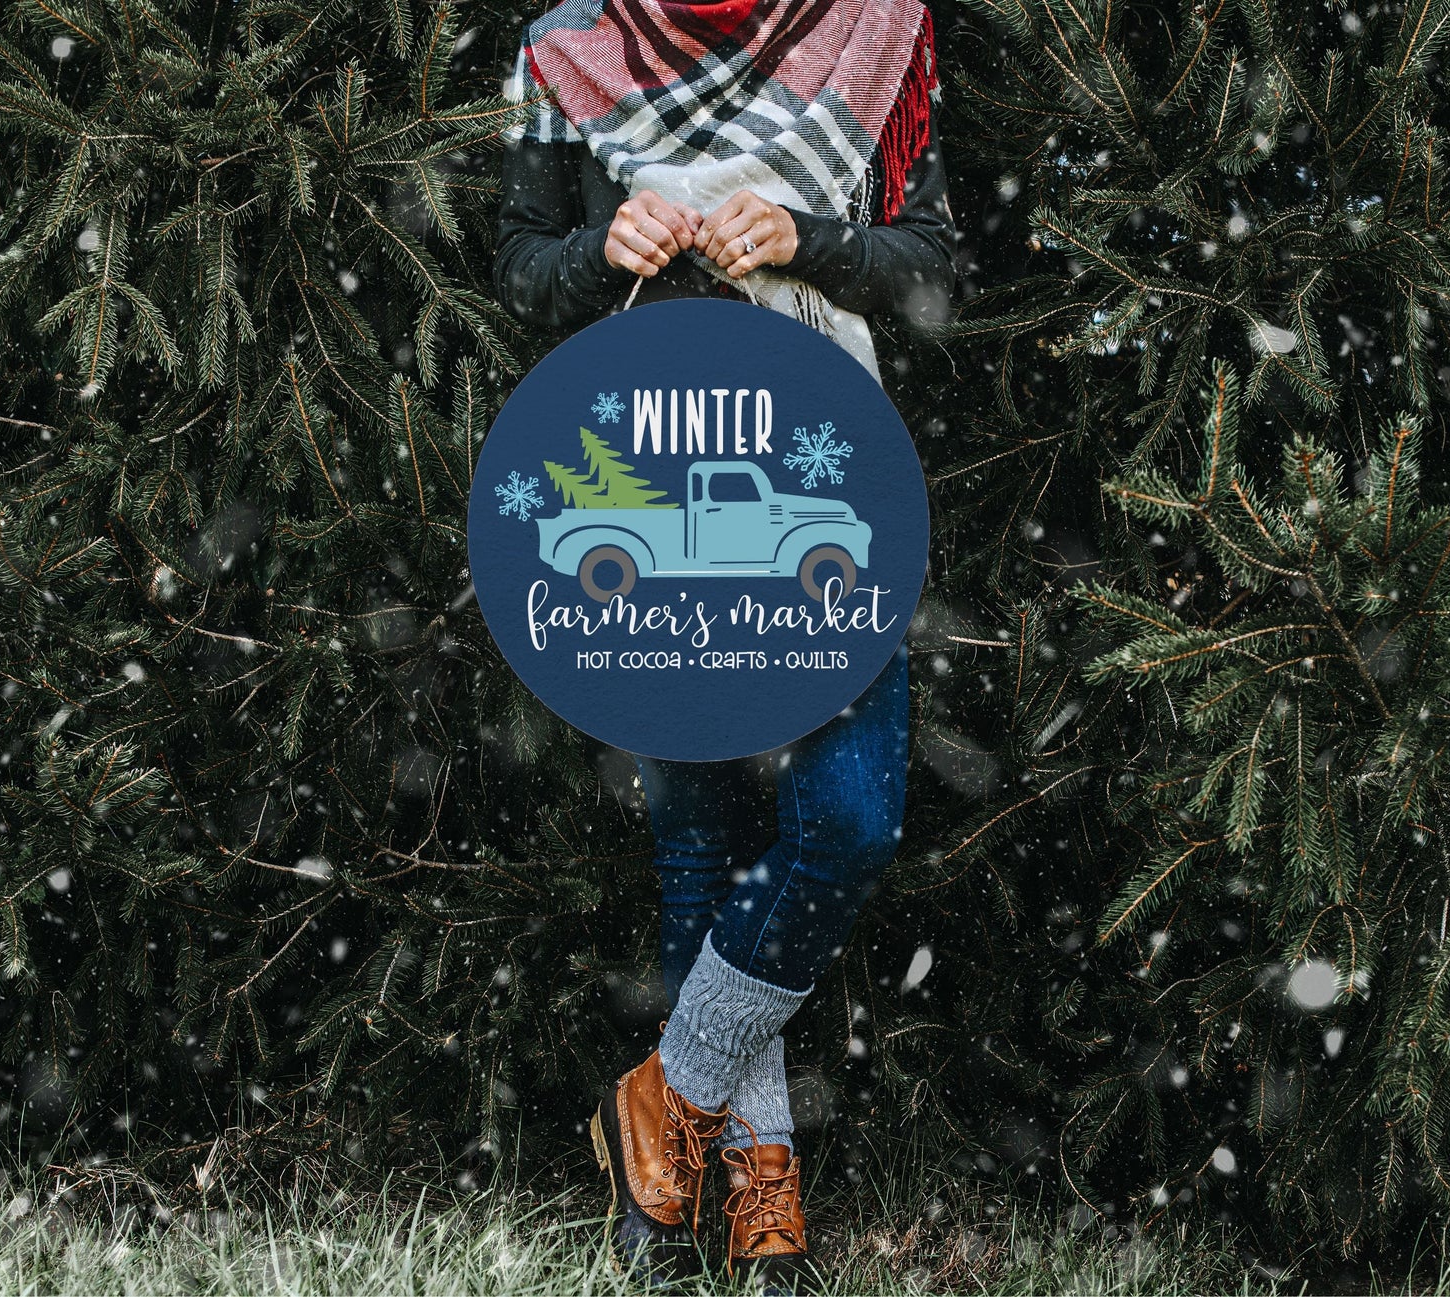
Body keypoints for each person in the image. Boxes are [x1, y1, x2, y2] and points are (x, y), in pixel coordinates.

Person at [491, 0, 955, 1284]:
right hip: (648, 470)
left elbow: (931, 265)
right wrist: (600, 249)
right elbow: (519, 267)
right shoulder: (565, 43)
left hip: (825, 458)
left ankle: (664, 1101)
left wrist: (812, 238)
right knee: (699, 833)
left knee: (847, 820)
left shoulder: (874, 27)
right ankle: (745, 1205)